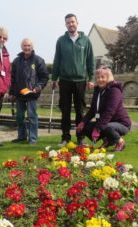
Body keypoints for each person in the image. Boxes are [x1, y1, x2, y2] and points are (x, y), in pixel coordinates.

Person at [51, 13, 95, 147]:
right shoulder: (61, 40)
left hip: (81, 81)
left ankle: (80, 137)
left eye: (72, 22)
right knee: (65, 111)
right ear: (65, 25)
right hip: (64, 80)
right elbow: (57, 60)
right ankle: (65, 138)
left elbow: (90, 61)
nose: (71, 24)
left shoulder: (85, 40)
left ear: (77, 23)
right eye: (68, 22)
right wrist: (54, 78)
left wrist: (91, 78)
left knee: (80, 111)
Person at [76, 67, 131, 151]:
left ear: (108, 78)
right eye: (98, 77)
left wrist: (97, 129)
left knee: (107, 127)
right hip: (106, 122)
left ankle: (120, 142)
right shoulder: (97, 90)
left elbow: (109, 112)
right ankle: (107, 140)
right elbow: (92, 110)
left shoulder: (115, 90)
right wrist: (83, 122)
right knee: (84, 127)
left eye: (102, 77)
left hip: (121, 124)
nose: (99, 79)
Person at [9, 38, 48, 144]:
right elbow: (12, 78)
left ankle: (33, 138)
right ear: (21, 47)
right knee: (19, 117)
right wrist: (11, 93)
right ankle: (21, 136)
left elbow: (44, 77)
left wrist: (38, 87)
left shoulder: (39, 60)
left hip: (32, 94)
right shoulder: (16, 61)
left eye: (28, 46)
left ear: (32, 47)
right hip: (19, 94)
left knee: (32, 116)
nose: (27, 47)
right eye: (25, 45)